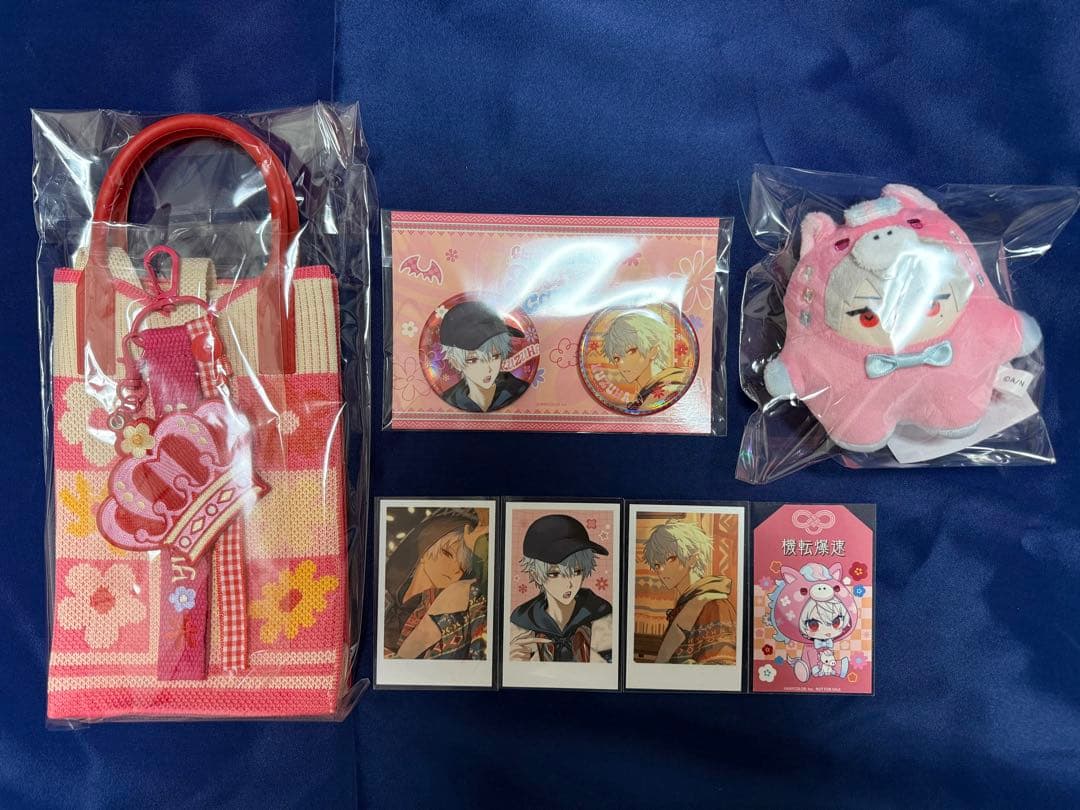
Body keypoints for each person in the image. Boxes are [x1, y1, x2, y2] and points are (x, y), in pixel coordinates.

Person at [383, 509, 488, 660]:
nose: (455, 569)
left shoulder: (452, 613)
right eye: (448, 554)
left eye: (463, 567)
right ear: (425, 550)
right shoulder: (382, 595)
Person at [508, 514, 612, 663]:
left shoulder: (604, 619)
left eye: (577, 571)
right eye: (555, 574)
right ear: (536, 575)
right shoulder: (521, 625)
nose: (569, 584)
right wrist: (514, 664)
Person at [642, 520, 735, 664]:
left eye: (670, 559)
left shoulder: (715, 605)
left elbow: (723, 664)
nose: (661, 570)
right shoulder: (685, 604)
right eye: (657, 565)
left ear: (692, 558)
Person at [439, 300, 529, 412]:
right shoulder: (450, 398)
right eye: (473, 360)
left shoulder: (518, 389)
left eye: (495, 357)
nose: (488, 369)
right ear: (455, 362)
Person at [601, 307, 690, 413]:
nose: (621, 363)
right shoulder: (644, 396)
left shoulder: (669, 390)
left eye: (631, 351)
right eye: (616, 358)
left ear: (653, 351)